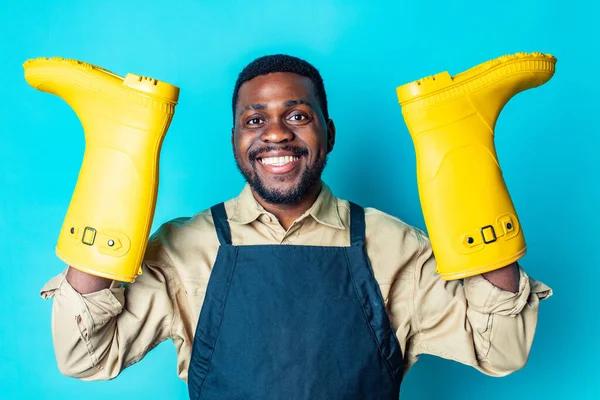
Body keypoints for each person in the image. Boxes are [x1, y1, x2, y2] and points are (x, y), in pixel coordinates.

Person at [39, 54, 552, 399]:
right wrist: (117, 155)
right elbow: (85, 355)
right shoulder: (184, 247)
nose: (276, 134)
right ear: (236, 138)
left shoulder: (392, 244)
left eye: (298, 116)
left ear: (327, 134)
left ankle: (453, 123)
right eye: (255, 120)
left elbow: (501, 349)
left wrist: (465, 160)